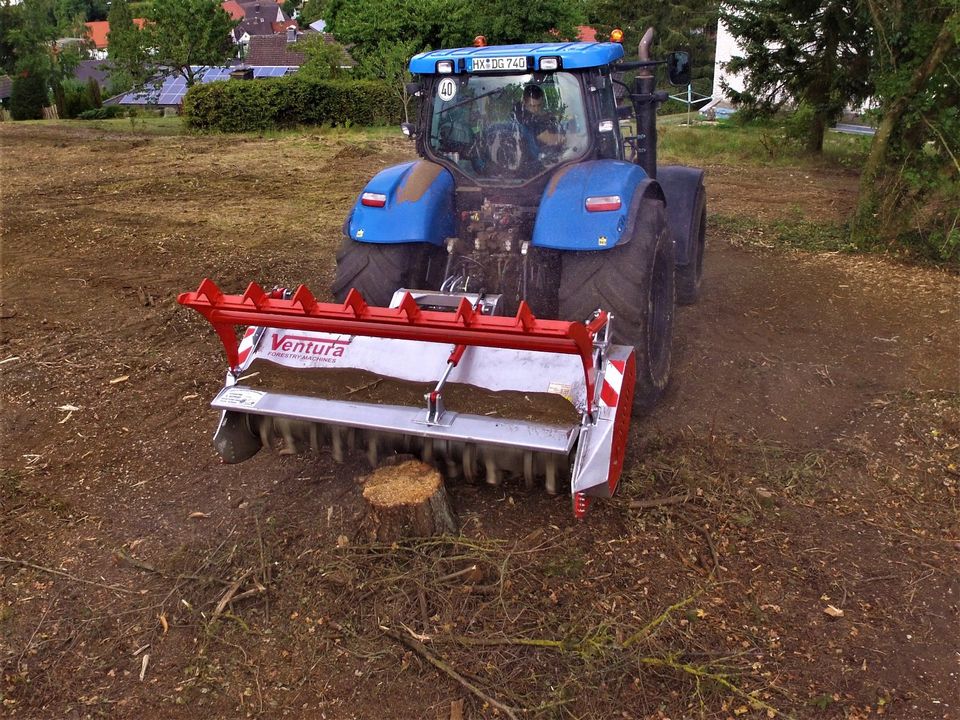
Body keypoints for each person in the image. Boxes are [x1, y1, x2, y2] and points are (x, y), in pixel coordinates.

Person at [515, 84, 564, 155]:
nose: (536, 109)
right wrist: (568, 138)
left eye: (539, 105)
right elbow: (548, 139)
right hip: (533, 158)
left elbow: (542, 115)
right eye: (532, 106)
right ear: (524, 102)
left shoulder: (525, 111)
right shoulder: (524, 117)